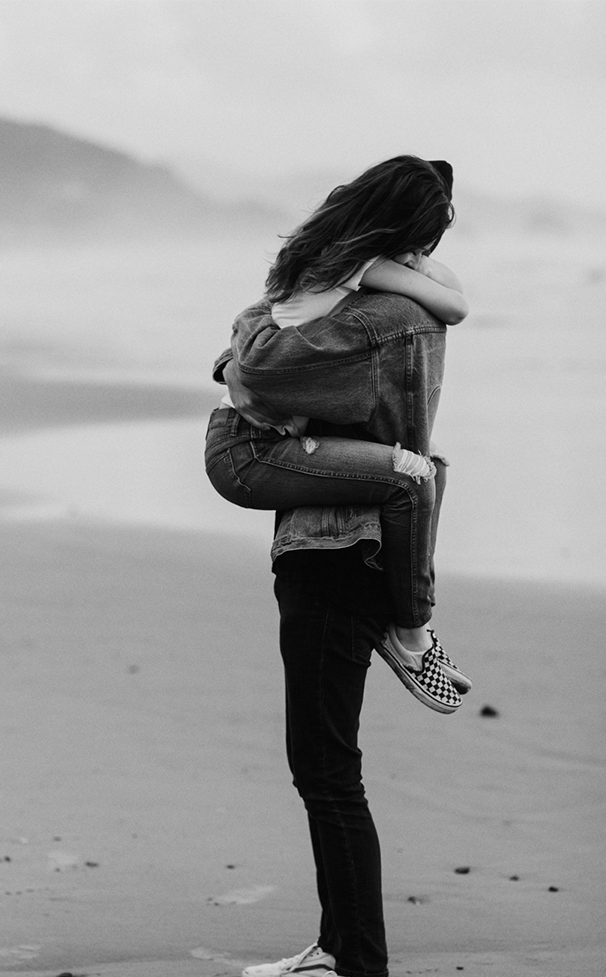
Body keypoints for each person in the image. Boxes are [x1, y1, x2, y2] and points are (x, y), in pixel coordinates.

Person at [202, 162, 473, 977]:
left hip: (338, 544)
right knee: (322, 766)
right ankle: (334, 945)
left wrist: (251, 338)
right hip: (344, 539)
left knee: (327, 769)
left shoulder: (375, 317)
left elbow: (254, 372)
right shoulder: (408, 306)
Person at [204, 155, 471, 714]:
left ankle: (410, 621)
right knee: (414, 478)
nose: (425, 256)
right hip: (250, 450)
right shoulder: (356, 263)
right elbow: (455, 303)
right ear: (400, 227)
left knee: (433, 466)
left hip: (271, 431)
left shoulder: (337, 258)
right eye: (423, 239)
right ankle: (411, 631)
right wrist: (416, 266)